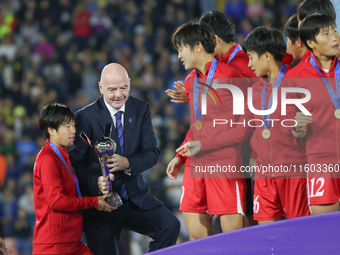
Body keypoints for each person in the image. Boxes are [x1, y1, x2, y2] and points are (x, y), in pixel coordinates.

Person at [68, 63, 180, 255]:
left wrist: (127, 162)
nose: (118, 94)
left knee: (170, 226)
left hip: (134, 199)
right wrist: (96, 181)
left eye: (123, 88)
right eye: (112, 89)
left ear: (129, 84)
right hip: (101, 205)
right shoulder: (83, 118)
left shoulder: (140, 108)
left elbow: (152, 153)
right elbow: (76, 164)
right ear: (101, 88)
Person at [166, 21, 252, 240]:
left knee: (234, 241)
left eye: (180, 49)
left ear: (197, 46)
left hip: (224, 163)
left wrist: (204, 145)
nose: (178, 56)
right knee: (196, 238)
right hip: (196, 164)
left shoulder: (232, 77)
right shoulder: (189, 81)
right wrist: (180, 156)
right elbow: (198, 125)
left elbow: (243, 129)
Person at [242, 26, 310, 224]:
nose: (249, 63)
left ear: (267, 56)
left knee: (298, 231)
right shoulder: (254, 91)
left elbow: (313, 122)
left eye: (251, 57)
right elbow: (257, 127)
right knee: (267, 233)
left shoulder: (296, 82)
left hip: (293, 168)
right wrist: (254, 155)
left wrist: (304, 129)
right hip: (263, 173)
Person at [33, 103, 116, 255]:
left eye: (73, 125)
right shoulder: (48, 159)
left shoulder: (63, 156)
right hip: (54, 246)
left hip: (72, 242)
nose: (73, 131)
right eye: (67, 126)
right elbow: (56, 201)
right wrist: (93, 202)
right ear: (51, 130)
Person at [285, 14, 340, 214]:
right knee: (324, 229)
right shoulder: (294, 77)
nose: (334, 37)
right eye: (326, 34)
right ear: (310, 43)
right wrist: (297, 129)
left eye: (335, 31)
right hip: (321, 159)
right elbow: (287, 123)